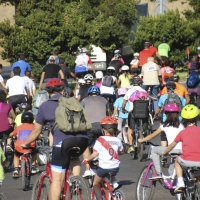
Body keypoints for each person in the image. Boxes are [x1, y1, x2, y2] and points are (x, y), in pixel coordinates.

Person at [22, 78, 88, 200]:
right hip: (83, 140)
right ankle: (75, 180)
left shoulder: (45, 106)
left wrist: (26, 143)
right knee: (74, 156)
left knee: (57, 180)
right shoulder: (74, 102)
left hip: (63, 143)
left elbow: (37, 131)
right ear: (63, 90)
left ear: (47, 92)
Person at [83, 116, 124, 200]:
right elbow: (122, 151)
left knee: (96, 184)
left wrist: (87, 159)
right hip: (115, 167)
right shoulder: (117, 140)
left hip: (104, 167)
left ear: (104, 130)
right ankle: (115, 183)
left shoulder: (100, 139)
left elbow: (94, 154)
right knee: (110, 168)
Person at [138, 104, 183, 179]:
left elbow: (152, 136)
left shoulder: (165, 126)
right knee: (171, 171)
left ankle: (158, 172)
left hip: (171, 149)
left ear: (166, 115)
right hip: (182, 151)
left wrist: (142, 140)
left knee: (154, 150)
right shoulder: (181, 125)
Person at [162, 105, 200, 192]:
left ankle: (180, 182)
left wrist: (165, 152)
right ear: (197, 119)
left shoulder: (182, 132)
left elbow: (171, 146)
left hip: (186, 160)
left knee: (177, 161)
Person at [81, 85, 110, 177]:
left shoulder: (84, 100)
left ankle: (87, 170)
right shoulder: (104, 100)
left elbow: (81, 113)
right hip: (103, 125)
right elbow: (108, 113)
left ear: (89, 94)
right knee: (104, 144)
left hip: (89, 125)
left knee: (86, 146)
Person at [154, 81, 186, 147]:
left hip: (166, 120)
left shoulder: (162, 97)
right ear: (175, 88)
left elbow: (158, 109)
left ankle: (164, 150)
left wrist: (155, 115)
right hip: (178, 119)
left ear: (166, 88)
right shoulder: (180, 97)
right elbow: (183, 107)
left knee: (163, 135)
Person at [121, 77, 146, 153]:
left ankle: (131, 145)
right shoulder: (144, 91)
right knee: (143, 125)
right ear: (140, 83)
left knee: (130, 128)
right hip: (144, 113)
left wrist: (123, 109)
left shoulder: (129, 91)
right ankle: (143, 133)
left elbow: (124, 103)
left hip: (133, 112)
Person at [10, 112, 39, 177]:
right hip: (30, 146)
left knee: (16, 155)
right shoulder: (33, 127)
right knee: (35, 152)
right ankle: (33, 167)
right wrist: (40, 137)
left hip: (19, 147)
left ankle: (16, 170)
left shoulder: (19, 127)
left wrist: (10, 136)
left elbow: (11, 134)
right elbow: (38, 135)